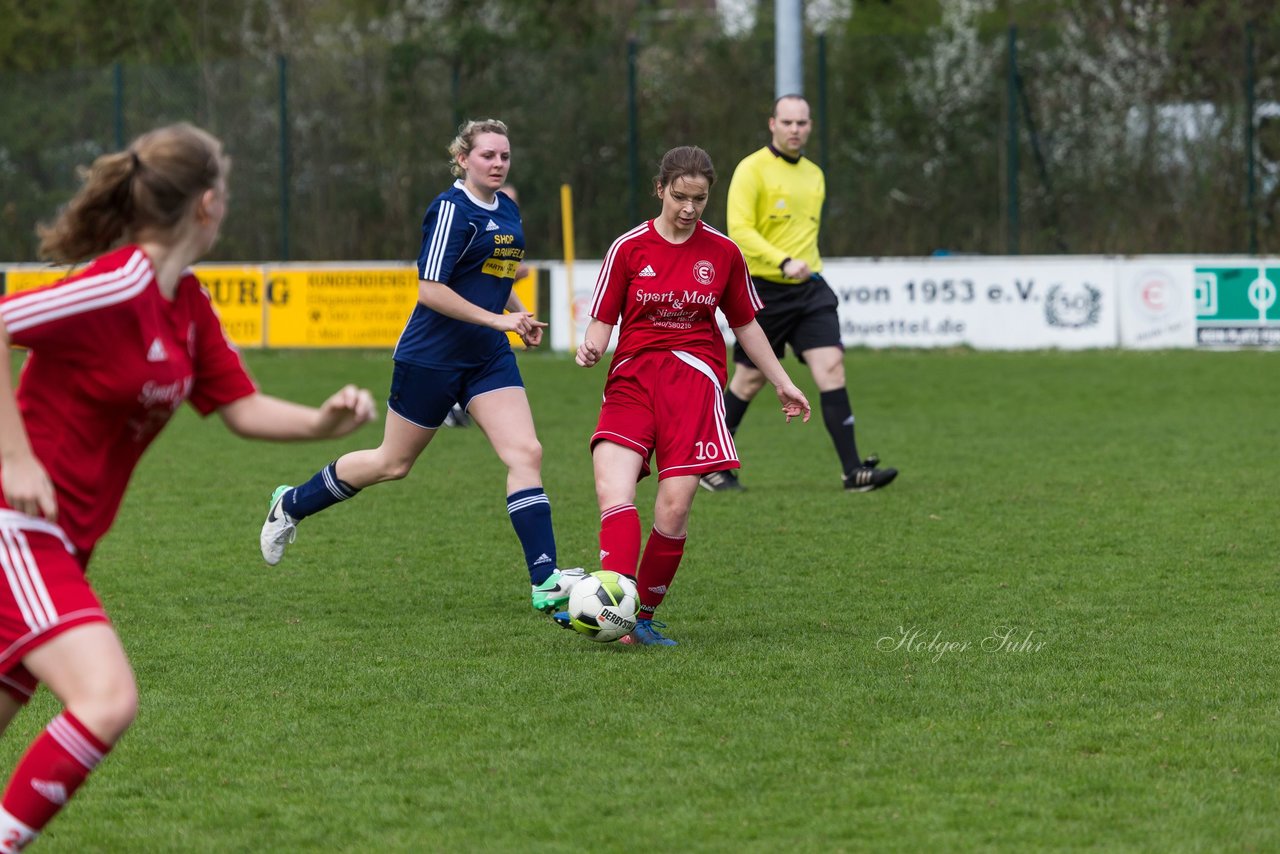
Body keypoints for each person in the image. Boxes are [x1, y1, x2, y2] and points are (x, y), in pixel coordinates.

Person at [0, 122, 378, 850]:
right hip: (18, 531)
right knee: (107, 700)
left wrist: (324, 423)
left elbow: (240, 407)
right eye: (226, 193)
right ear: (206, 204)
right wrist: (14, 458)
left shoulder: (187, 305)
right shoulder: (117, 285)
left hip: (65, 545)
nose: (227, 206)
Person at [259, 120, 584, 614]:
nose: (497, 164)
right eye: (487, 156)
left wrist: (514, 316)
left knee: (526, 452)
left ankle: (545, 579)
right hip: (430, 357)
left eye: (504, 157)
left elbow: (494, 274)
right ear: (462, 160)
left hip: (487, 358)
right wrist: (501, 320)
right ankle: (292, 503)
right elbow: (430, 289)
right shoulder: (450, 211)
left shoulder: (509, 208)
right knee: (393, 463)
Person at [555, 146, 810, 646]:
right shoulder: (628, 249)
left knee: (674, 508)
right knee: (614, 492)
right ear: (660, 189)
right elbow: (603, 321)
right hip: (631, 381)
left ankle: (641, 615)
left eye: (700, 198)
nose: (690, 208)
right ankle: (617, 611)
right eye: (679, 197)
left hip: (694, 386)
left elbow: (746, 324)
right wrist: (591, 347)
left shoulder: (724, 252)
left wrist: (782, 381)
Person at [701, 94, 898, 494]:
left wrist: (802, 265)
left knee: (832, 368)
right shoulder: (751, 169)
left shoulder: (815, 175)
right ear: (772, 123)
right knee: (750, 379)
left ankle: (852, 472)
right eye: (787, 122)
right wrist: (783, 260)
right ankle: (710, 462)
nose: (795, 130)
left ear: (810, 126)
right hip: (762, 289)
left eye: (802, 123)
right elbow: (739, 231)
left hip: (809, 290)